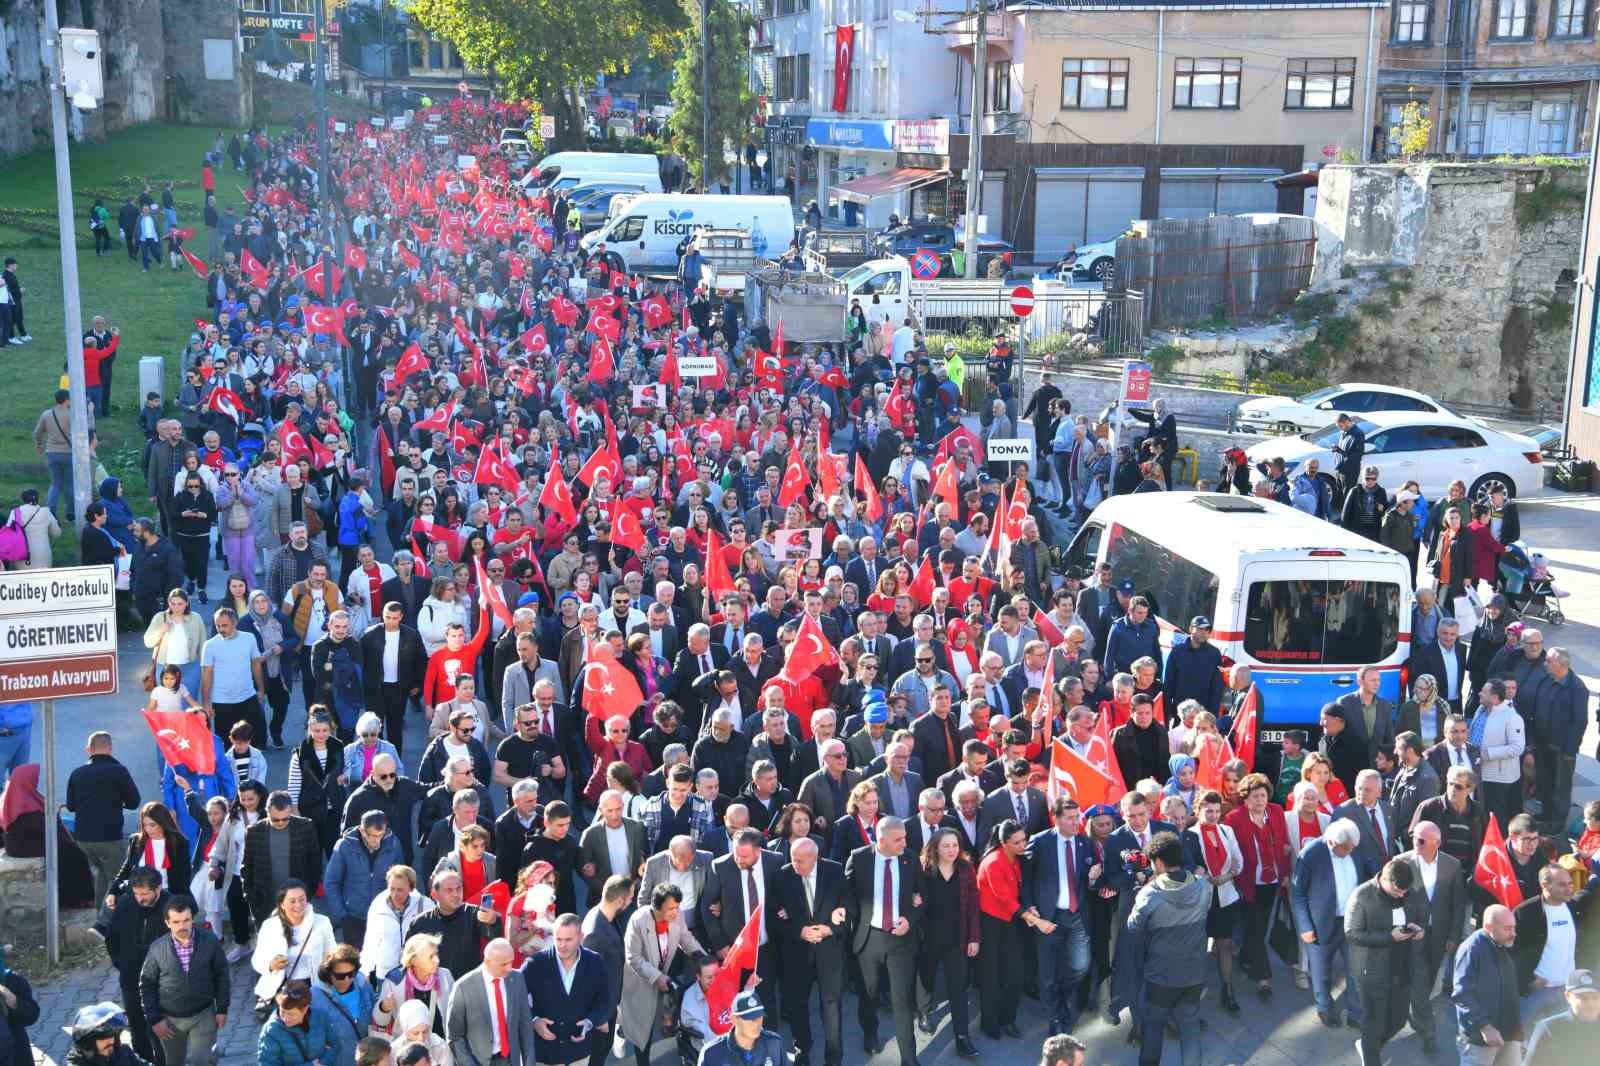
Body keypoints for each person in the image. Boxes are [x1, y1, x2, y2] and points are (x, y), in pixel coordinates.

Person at [1125, 830, 1210, 1066]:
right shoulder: (1204, 887)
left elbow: (1134, 926)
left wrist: (1140, 895)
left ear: (1159, 862)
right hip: (1195, 973)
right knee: (1190, 1028)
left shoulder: (1150, 894)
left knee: (1153, 1029)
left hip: (1160, 976)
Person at [845, 815, 923, 1065]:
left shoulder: (911, 859)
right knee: (869, 994)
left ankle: (908, 1058)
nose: (904, 842)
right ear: (881, 839)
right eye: (898, 839)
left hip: (901, 941)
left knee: (902, 1001)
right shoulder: (859, 858)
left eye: (904, 837)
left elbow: (923, 896)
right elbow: (846, 893)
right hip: (869, 940)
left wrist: (910, 918)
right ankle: (870, 1034)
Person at [1020, 796, 1097, 1037]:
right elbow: (1025, 879)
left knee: (1081, 966)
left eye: (1078, 817)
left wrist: (1094, 877)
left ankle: (1061, 997)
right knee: (1047, 972)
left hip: (1076, 916)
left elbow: (1090, 880)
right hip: (1048, 917)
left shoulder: (1085, 843)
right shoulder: (1040, 842)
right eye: (1071, 818)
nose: (1077, 822)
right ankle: (1055, 1016)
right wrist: (1030, 906)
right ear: (1057, 818)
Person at [1346, 857, 1435, 1061]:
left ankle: (1371, 1046)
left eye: (1404, 892)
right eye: (1397, 891)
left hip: (1402, 967)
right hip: (1372, 971)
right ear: (1384, 880)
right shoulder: (1362, 895)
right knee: (1374, 1022)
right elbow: (1351, 933)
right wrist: (1388, 937)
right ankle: (1371, 1054)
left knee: (1398, 1019)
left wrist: (1418, 929)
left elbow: (1418, 916)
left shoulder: (1408, 891)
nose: (1402, 895)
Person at [138, 896, 230, 1066]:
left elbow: (222, 974)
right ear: (167, 923)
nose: (182, 926)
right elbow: (147, 984)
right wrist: (155, 1019)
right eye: (176, 922)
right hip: (170, 1021)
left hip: (203, 1015)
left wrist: (222, 1008)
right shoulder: (157, 948)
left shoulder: (209, 941)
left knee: (202, 1061)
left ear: (192, 919)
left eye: (186, 920)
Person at [95, 866, 169, 1061]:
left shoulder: (170, 906)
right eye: (136, 893)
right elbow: (111, 939)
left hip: (161, 982)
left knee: (160, 1030)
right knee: (136, 1027)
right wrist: (123, 964)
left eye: (145, 894)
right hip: (131, 979)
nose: (140, 898)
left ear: (158, 889)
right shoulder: (126, 904)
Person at [522, 913, 611, 1065]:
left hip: (579, 1055)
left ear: (581, 937)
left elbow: (604, 1000)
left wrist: (590, 1021)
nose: (562, 945)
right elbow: (515, 997)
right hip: (544, 1055)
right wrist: (533, 1020)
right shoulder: (535, 963)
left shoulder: (595, 962)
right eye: (558, 939)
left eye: (568, 940)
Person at [1513, 863, 1594, 1026]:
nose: (1569, 888)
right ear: (1545, 884)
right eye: (1562, 884)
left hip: (1568, 991)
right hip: (1534, 993)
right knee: (1524, 1042)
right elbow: (1512, 951)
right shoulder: (1525, 912)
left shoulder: (1574, 908)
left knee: (1558, 1043)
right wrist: (1528, 979)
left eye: (1570, 883)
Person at [66, 731, 141, 904]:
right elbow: (134, 802)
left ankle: (100, 919)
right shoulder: (118, 771)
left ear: (88, 749)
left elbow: (71, 806)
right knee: (119, 882)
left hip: (83, 840)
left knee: (101, 873)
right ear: (110, 749)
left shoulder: (77, 773)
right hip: (109, 838)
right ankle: (112, 923)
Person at [444, 937, 538, 1066]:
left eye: (511, 962)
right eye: (503, 964)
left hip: (510, 1060)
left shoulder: (517, 978)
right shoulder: (463, 987)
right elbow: (455, 1037)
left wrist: (529, 1062)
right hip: (479, 1062)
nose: (509, 968)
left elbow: (525, 1025)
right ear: (487, 962)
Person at [1455, 904, 1524, 1066]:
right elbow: (1462, 995)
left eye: (1514, 928)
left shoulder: (1502, 943)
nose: (1513, 934)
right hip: (1481, 1038)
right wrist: (1485, 1027)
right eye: (1507, 929)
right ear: (1488, 927)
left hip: (1509, 1033)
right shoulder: (1471, 950)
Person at [241, 791, 323, 924]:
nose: (280, 822)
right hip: (265, 902)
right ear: (267, 812)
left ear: (291, 812)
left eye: (285, 819)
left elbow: (314, 863)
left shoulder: (306, 827)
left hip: (297, 901)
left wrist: (307, 894)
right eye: (275, 819)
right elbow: (247, 867)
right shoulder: (254, 832)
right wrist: (250, 897)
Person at [1524, 969, 1600, 1066]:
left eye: (1595, 997)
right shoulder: (1549, 1028)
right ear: (1568, 996)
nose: (1591, 1004)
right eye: (1583, 998)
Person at [258, 979, 341, 1066]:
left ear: (305, 1009)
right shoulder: (271, 1031)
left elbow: (335, 1045)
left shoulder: (320, 1017)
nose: (285, 1018)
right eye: (282, 1012)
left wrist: (323, 1062)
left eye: (291, 1014)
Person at [698, 989, 788, 1066]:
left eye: (759, 1016)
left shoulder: (774, 1044)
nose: (756, 1023)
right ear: (734, 1019)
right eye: (750, 1018)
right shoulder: (712, 1052)